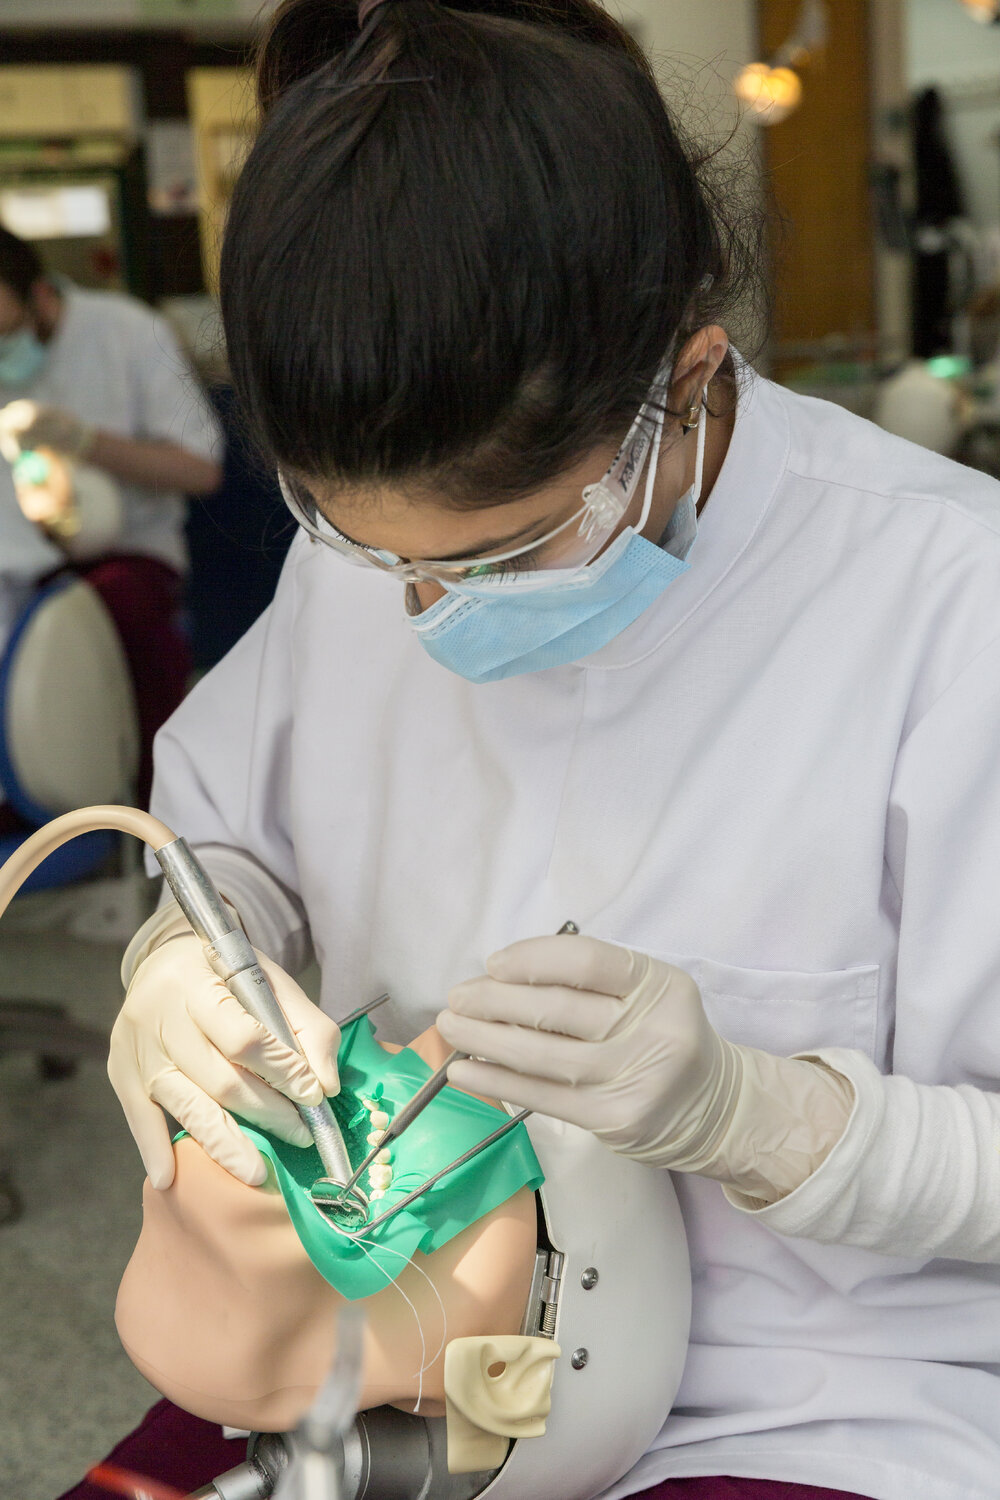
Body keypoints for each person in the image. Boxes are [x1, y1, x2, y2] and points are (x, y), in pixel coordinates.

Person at [94, 2, 1000, 1498]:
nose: (431, 611)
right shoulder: (361, 567)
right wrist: (189, 972)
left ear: (688, 379)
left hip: (814, 1397)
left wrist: (757, 1114)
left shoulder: (948, 606)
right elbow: (223, 848)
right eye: (374, 552)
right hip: (399, 1347)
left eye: (508, 551)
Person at [0, 229, 223, 804]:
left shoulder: (126, 331)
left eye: (7, 333)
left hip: (132, 552)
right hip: (26, 562)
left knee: (111, 618)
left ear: (41, 295)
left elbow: (202, 470)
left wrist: (84, 441)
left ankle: (155, 818)